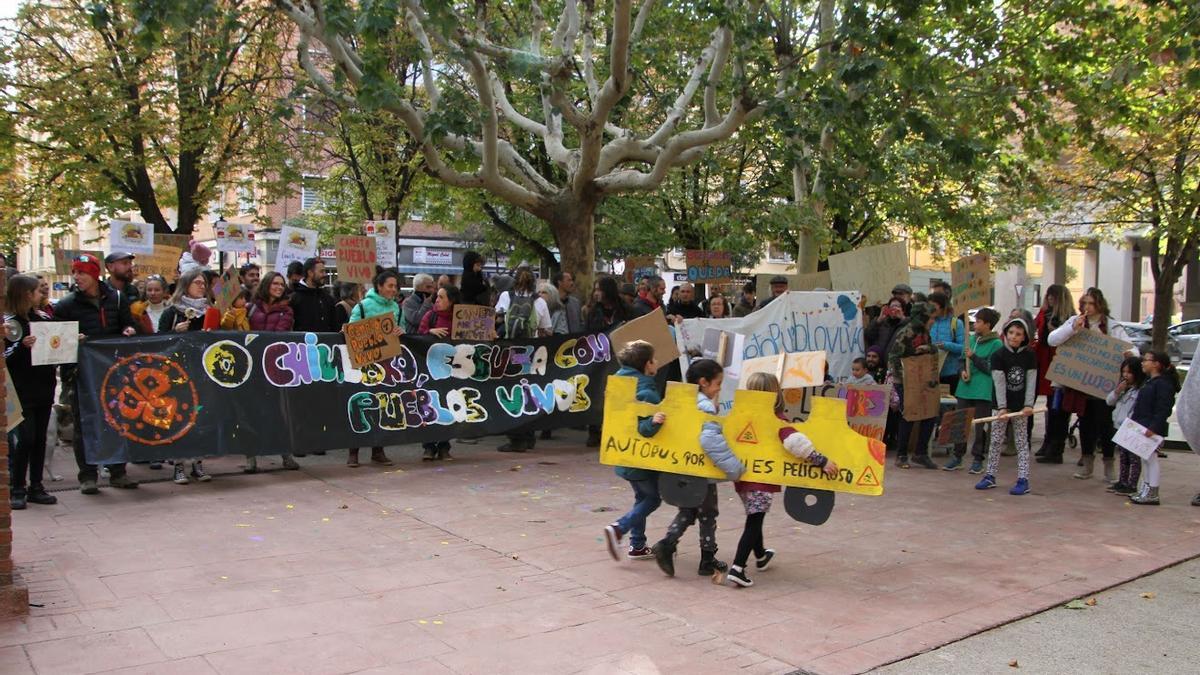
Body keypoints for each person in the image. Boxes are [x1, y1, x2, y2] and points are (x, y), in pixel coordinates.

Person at [726, 372, 836, 588]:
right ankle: (738, 567)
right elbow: (796, 443)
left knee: (755, 515)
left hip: (743, 479)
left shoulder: (742, 415)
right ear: (775, 394)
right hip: (762, 480)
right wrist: (821, 460)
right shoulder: (776, 421)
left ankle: (760, 555)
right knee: (754, 521)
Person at [650, 358, 746, 578]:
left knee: (689, 508)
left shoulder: (683, 401)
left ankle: (669, 544)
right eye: (717, 383)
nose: (720, 388)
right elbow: (709, 440)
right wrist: (733, 468)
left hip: (682, 467)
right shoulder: (705, 407)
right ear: (703, 382)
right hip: (700, 472)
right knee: (707, 513)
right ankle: (705, 557)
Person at [53, 253, 139, 494]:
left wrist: (129, 329)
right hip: (83, 374)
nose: (77, 277)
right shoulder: (66, 305)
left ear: (93, 273)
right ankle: (87, 475)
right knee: (85, 424)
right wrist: (72, 341)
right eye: (75, 272)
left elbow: (127, 324)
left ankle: (118, 471)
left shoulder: (117, 299)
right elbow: (56, 342)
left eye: (81, 272)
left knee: (117, 420)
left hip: (114, 371)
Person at [1047, 288, 1137, 481]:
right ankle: (1087, 463)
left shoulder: (1112, 326)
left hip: (1105, 387)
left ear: (1099, 305)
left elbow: (1132, 349)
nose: (1088, 307)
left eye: (1092, 303)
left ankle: (1108, 465)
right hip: (1082, 386)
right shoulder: (1074, 322)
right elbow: (1052, 340)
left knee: (1106, 426)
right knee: (1086, 425)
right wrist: (1072, 328)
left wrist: (1129, 354)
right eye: (1085, 303)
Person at [603, 341, 665, 562]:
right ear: (646, 364)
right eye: (654, 359)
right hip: (640, 460)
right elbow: (643, 429)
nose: (656, 362)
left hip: (624, 457)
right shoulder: (646, 391)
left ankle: (637, 545)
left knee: (642, 497)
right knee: (653, 499)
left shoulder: (620, 383)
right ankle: (619, 528)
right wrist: (655, 422)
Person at [5, 274, 59, 508]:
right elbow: (6, 357)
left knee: (40, 439)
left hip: (44, 386)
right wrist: (20, 346)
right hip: (21, 389)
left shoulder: (43, 317)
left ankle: (36, 485)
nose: (42, 293)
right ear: (26, 294)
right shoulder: (10, 323)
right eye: (38, 290)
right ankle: (17, 486)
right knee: (25, 439)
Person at [345, 269, 403, 467]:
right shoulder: (363, 306)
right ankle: (353, 452)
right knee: (360, 405)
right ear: (379, 286)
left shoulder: (397, 308)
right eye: (390, 286)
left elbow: (401, 331)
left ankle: (378, 450)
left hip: (387, 364)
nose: (393, 290)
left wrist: (400, 331)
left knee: (382, 405)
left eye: (395, 286)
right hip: (364, 364)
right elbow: (351, 330)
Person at [974, 317, 1037, 495]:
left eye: (1018, 334)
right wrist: (1002, 407)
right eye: (1011, 333)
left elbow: (1031, 380)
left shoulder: (1030, 355)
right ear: (1006, 334)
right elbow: (999, 382)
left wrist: (1028, 404)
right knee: (995, 441)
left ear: (1025, 336)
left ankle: (1023, 479)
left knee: (1021, 442)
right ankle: (990, 476)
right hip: (1000, 406)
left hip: (1021, 407)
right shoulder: (998, 356)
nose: (1014, 337)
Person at [245, 272, 301, 473]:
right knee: (251, 412)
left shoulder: (287, 311)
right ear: (267, 284)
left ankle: (285, 454)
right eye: (275, 283)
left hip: (275, 368)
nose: (279, 287)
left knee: (279, 413)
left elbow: (279, 335)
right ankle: (251, 458)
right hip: (251, 369)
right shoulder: (249, 308)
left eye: (281, 284)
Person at [946, 308, 1002, 473]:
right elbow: (961, 361)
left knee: (980, 426)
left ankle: (978, 458)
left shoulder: (996, 344)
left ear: (988, 324)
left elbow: (991, 368)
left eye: (978, 322)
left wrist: (974, 358)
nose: (975, 324)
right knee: (960, 422)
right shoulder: (970, 339)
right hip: (965, 388)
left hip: (982, 390)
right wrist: (962, 370)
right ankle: (957, 456)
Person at [888, 302, 940, 470]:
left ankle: (921, 453)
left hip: (922, 378)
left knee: (929, 413)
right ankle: (902, 454)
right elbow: (894, 356)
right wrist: (903, 380)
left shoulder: (925, 333)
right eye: (931, 318)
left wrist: (928, 348)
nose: (933, 321)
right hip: (905, 380)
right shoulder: (907, 332)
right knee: (909, 415)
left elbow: (932, 350)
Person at [1128, 351, 1180, 505]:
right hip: (1142, 425)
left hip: (1151, 428)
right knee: (1145, 459)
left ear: (1156, 364)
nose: (1143, 363)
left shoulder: (1163, 384)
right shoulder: (1151, 381)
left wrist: (1154, 427)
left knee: (1151, 459)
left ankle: (1153, 492)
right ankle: (1145, 489)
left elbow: (1163, 408)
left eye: (1146, 360)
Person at [418, 284, 461, 460]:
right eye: (437, 296)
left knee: (448, 406)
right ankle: (428, 446)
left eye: (441, 297)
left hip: (453, 372)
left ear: (452, 301)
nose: (437, 300)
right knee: (429, 407)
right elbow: (417, 337)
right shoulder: (430, 316)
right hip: (430, 371)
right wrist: (430, 332)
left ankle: (444, 446)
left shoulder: (462, 318)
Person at [1034, 284, 1074, 464]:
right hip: (1044, 361)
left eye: (1053, 296)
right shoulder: (1044, 314)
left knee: (1059, 407)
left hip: (1060, 363)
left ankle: (1056, 447)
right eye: (1048, 295)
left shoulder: (1070, 318)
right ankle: (1048, 442)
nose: (1049, 298)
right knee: (1051, 406)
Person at [1105, 356, 1144, 496]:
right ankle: (1122, 481)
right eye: (1124, 371)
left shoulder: (1141, 390)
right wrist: (1117, 391)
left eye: (1129, 372)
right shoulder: (1124, 387)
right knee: (1123, 456)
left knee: (1133, 458)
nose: (1125, 375)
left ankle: (1132, 485)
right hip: (1119, 425)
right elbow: (1109, 401)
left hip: (1132, 426)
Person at [496, 267, 552, 343]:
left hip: (508, 346)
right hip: (531, 348)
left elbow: (498, 320)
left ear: (515, 281)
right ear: (533, 282)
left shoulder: (505, 296)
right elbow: (542, 331)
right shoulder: (540, 301)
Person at [928, 292, 964, 396]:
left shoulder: (956, 323)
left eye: (933, 306)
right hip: (931, 372)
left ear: (942, 306)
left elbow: (963, 348)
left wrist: (946, 345)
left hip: (951, 372)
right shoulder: (929, 321)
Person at [289, 257, 338, 332]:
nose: (325, 274)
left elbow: (334, 325)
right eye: (321, 271)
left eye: (325, 271)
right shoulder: (294, 298)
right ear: (310, 273)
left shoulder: (328, 298)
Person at [159, 269, 214, 334]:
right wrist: (175, 331)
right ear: (186, 285)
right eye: (198, 283)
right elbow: (160, 338)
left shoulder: (210, 311)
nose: (202, 287)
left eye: (204, 284)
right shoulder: (171, 311)